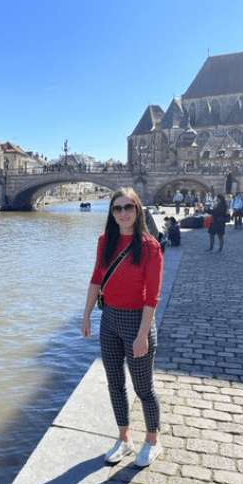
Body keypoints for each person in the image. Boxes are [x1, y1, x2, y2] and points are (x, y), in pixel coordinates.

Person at [82, 188, 163, 468]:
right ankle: (124, 438)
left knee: (144, 388)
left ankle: (153, 440)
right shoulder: (105, 241)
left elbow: (152, 295)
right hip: (110, 320)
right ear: (112, 213)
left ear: (138, 210)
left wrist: (142, 334)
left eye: (129, 207)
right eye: (117, 208)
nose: (123, 213)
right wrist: (87, 314)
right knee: (115, 384)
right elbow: (96, 278)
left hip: (137, 321)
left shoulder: (150, 246)